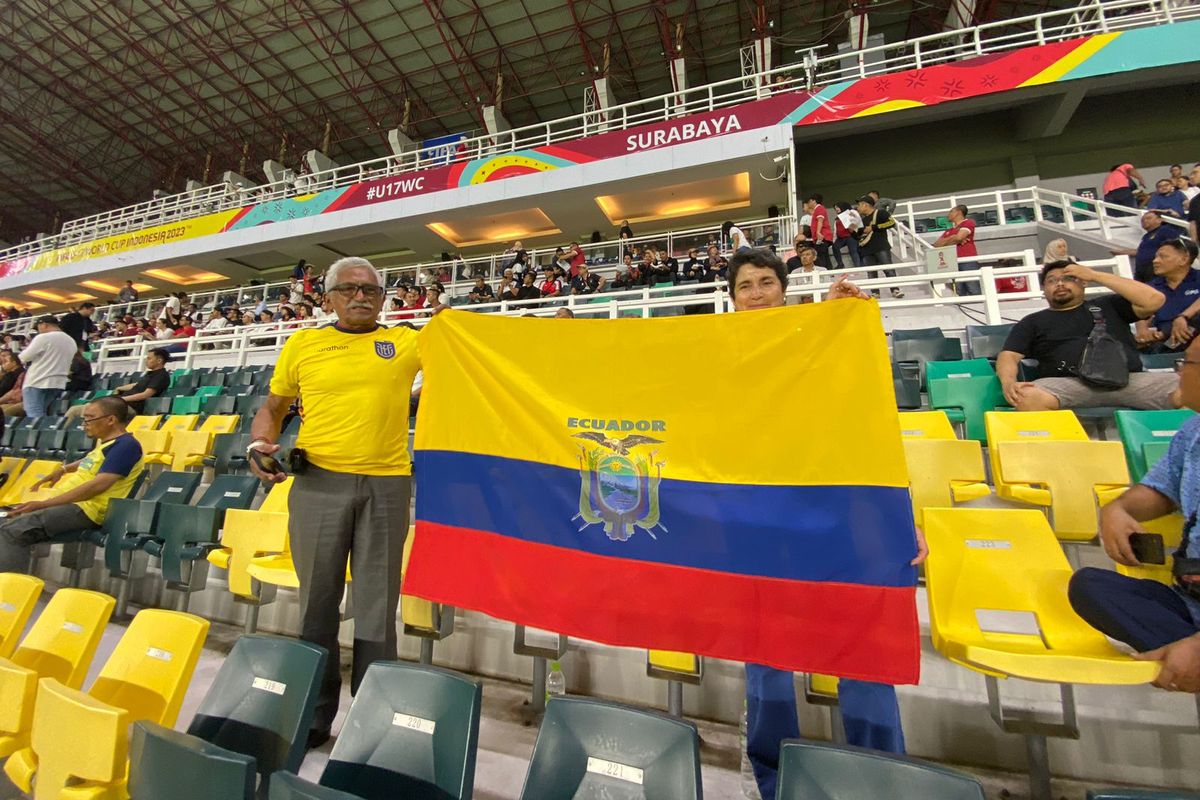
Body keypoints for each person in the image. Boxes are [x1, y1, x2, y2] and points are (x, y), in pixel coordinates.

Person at [725, 249, 924, 798]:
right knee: (766, 662)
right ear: (732, 298)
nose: (759, 292)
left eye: (768, 282)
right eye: (746, 285)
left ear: (785, 290)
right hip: (756, 523)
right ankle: (776, 782)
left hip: (837, 517)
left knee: (864, 651)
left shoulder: (821, 346)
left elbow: (870, 432)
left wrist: (899, 517)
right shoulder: (715, 361)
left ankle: (880, 778)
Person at [249, 257, 421, 748]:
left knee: (377, 609)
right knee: (317, 606)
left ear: (383, 297)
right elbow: (273, 407)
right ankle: (315, 714)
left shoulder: (407, 342)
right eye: (348, 289)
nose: (361, 296)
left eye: (371, 289)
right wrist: (259, 443)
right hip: (318, 486)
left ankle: (370, 721)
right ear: (327, 298)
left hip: (387, 486)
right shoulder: (304, 344)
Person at [1067, 332, 1200, 694]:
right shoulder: (1192, 432)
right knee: (1090, 585)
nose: (1177, 373)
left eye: (1185, 364)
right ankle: (1184, 650)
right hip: (1188, 600)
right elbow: (1160, 490)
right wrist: (1118, 508)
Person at [997, 259, 1175, 411]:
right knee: (1027, 397)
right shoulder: (1032, 321)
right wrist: (1008, 382)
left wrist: (1095, 275)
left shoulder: (1109, 305)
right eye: (1052, 281)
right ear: (1044, 289)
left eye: (1068, 278)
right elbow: (1009, 355)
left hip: (1129, 380)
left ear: (1083, 282)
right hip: (1069, 385)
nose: (1060, 284)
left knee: (1191, 388)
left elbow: (1155, 300)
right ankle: (1067, 449)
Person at [0, 396, 144, 574]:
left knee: (14, 530)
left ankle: (9, 595)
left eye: (89, 418)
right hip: (72, 507)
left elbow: (97, 486)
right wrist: (63, 469)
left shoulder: (127, 446)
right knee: (4, 518)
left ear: (111, 420)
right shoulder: (108, 444)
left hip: (88, 510)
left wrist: (44, 504)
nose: (84, 423)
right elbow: (91, 460)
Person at [1135, 240, 1200, 353]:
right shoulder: (1152, 287)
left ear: (1184, 259)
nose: (1155, 261)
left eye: (1163, 257)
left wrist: (1183, 317)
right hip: (1170, 342)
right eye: (1155, 257)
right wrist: (1142, 331)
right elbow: (1142, 312)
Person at [19, 316, 77, 418]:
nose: (38, 331)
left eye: (38, 327)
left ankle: (36, 433)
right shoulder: (71, 340)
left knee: (34, 413)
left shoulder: (43, 337)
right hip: (58, 382)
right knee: (42, 412)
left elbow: (24, 357)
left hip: (37, 380)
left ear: (44, 325)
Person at [856, 196, 904, 299]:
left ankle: (895, 289)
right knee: (871, 272)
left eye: (859, 205)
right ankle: (875, 292)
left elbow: (891, 223)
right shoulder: (862, 220)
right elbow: (858, 235)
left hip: (881, 246)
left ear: (865, 204)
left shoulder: (881, 213)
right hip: (866, 248)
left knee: (888, 269)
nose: (858, 207)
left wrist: (874, 227)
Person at [1116, 211, 1185, 283]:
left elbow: (1175, 248)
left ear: (1159, 220)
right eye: (1142, 220)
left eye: (1149, 218)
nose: (1145, 221)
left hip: (1157, 271)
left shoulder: (1166, 230)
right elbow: (1143, 251)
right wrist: (1122, 252)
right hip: (1142, 272)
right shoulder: (1146, 236)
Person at [932, 205, 979, 296]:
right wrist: (954, 238)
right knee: (959, 290)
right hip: (952, 262)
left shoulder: (968, 223)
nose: (948, 215)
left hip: (967, 259)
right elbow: (937, 245)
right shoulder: (949, 231)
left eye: (951, 212)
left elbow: (959, 237)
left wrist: (950, 241)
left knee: (973, 288)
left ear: (958, 212)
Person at [803, 194, 833, 268]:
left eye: (809, 201)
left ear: (814, 201)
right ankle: (828, 271)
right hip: (821, 237)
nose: (809, 203)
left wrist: (818, 232)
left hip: (822, 236)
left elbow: (820, 221)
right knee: (823, 255)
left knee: (821, 255)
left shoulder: (819, 208)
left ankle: (825, 271)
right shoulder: (817, 209)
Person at [832, 201, 863, 269]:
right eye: (835, 208)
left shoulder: (850, 213)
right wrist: (834, 240)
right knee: (835, 247)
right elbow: (835, 230)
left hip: (850, 236)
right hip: (840, 238)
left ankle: (858, 266)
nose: (836, 209)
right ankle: (840, 264)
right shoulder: (837, 219)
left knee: (853, 251)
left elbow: (857, 222)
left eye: (837, 207)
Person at [0, 351, 26, 417]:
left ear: (14, 363)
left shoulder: (12, 375)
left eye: (6, 362)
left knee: (4, 412)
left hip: (19, 401)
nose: (3, 365)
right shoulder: (18, 373)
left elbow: (4, 390)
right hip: (12, 401)